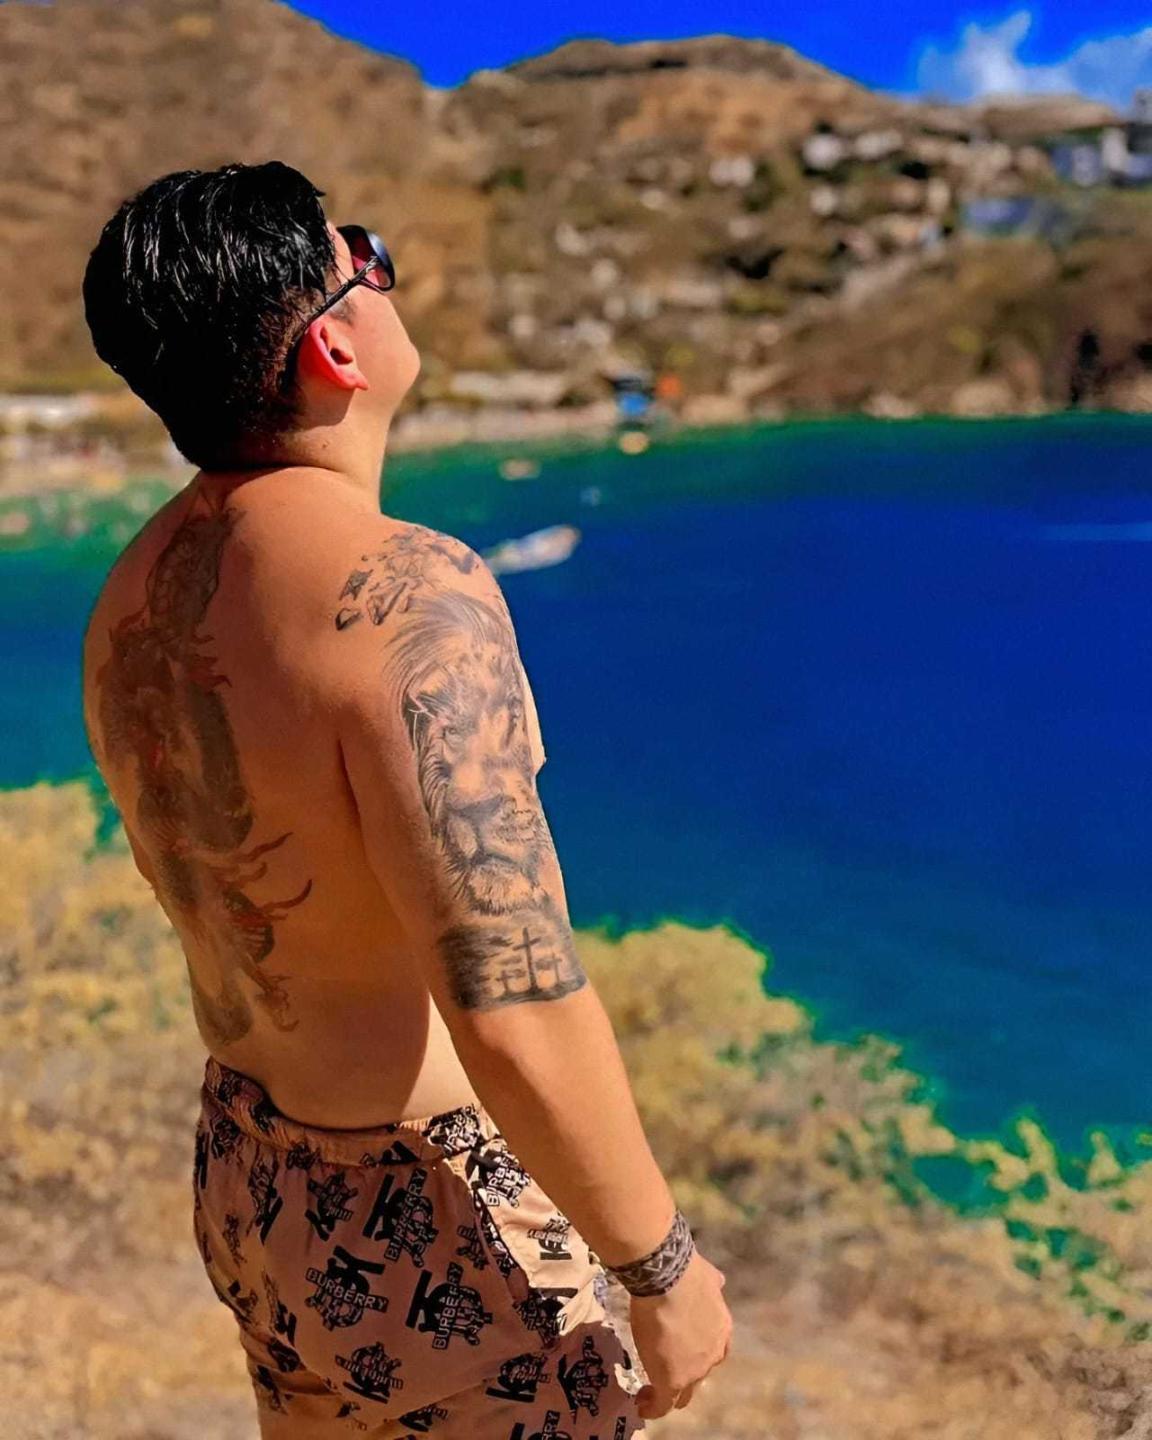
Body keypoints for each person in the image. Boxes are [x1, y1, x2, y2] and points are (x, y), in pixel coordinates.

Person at [80, 161, 732, 1438]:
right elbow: (512, 1000)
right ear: (332, 347)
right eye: (366, 258)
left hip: (254, 1175)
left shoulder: (131, 592)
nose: (388, 279)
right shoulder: (411, 601)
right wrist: (660, 1268)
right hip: (435, 1220)